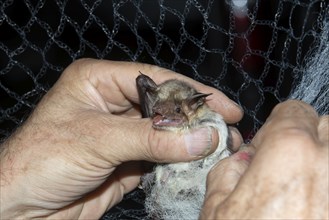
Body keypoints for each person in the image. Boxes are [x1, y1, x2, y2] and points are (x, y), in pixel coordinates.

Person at [0, 59, 327, 219]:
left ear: (194, 107)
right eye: (157, 110)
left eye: (172, 112)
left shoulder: (210, 122)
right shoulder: (162, 123)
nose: (159, 119)